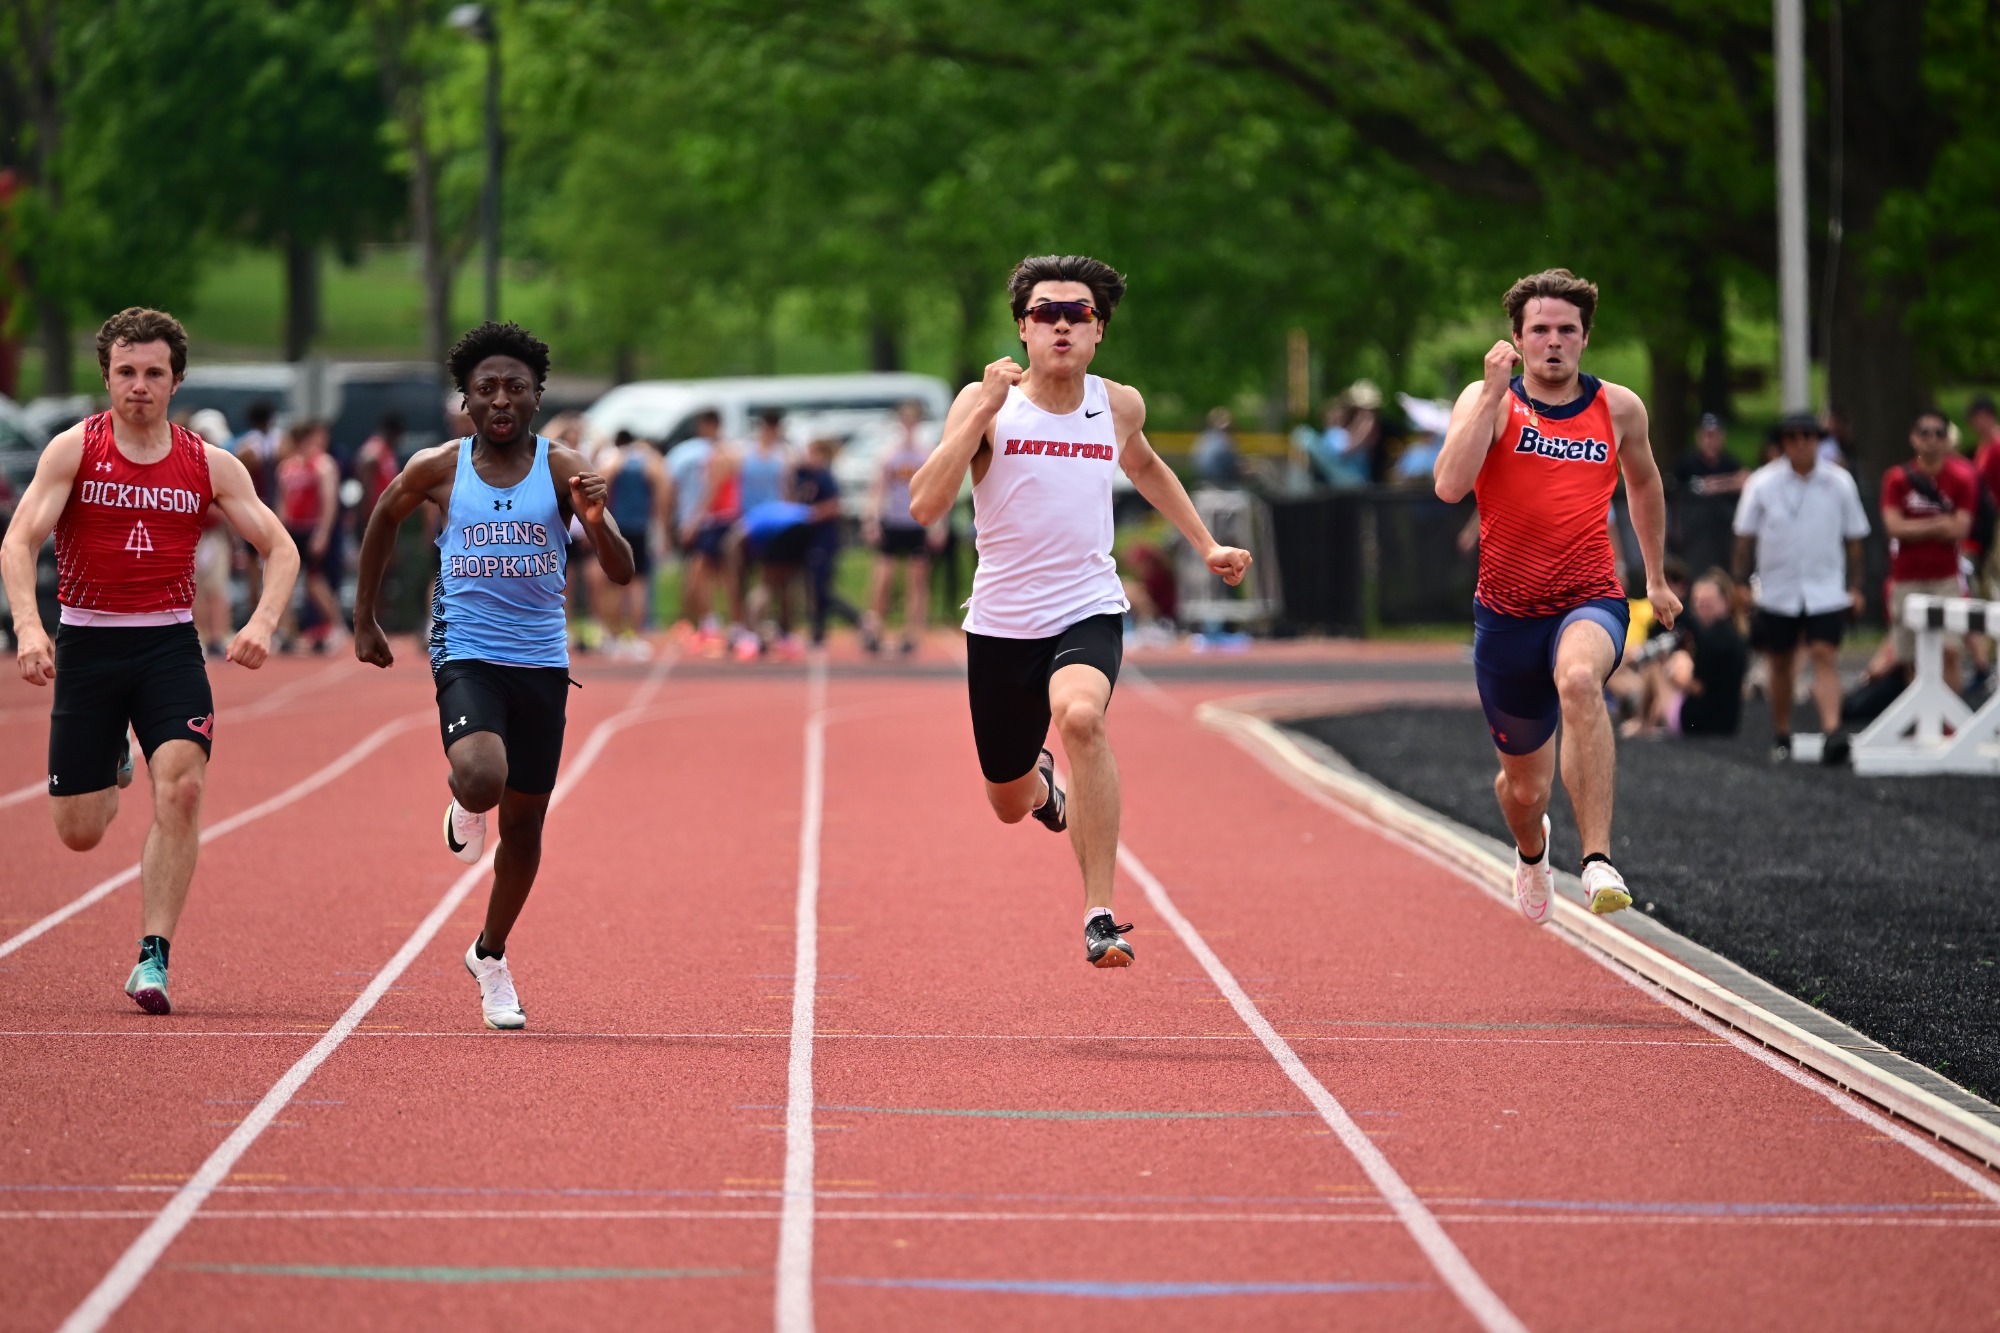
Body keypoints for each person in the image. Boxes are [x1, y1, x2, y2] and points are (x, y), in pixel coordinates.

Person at [909, 254, 1252, 968]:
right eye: (1045, 314)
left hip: (1086, 606)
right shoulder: (987, 403)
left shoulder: (1118, 404)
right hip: (1001, 620)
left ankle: (1100, 913)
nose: (1061, 325)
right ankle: (1040, 786)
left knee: (1082, 716)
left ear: (1099, 331)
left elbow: (1147, 466)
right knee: (1006, 799)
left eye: (1078, 314)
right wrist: (975, 412)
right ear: (1022, 329)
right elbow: (924, 504)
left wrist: (1207, 543)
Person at [1, 308, 299, 1014]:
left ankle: (153, 957)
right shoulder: (73, 452)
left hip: (168, 644)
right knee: (77, 834)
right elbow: (18, 543)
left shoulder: (207, 463)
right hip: (88, 642)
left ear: (176, 381)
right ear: (106, 376)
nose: (139, 385)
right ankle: (110, 760)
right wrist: (30, 627)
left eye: (154, 373)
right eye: (126, 372)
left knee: (184, 788)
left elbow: (279, 546)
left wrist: (263, 620)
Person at [352, 321, 633, 1030]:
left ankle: (490, 954)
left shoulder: (564, 467)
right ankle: (466, 799)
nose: (501, 397)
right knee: (480, 773)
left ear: (537, 396)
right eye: (486, 388)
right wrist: (366, 618)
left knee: (527, 827)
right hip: (466, 648)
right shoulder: (438, 468)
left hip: (541, 660)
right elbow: (382, 521)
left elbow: (623, 570)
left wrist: (597, 521)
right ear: (466, 400)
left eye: (515, 386)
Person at [1434, 268, 1679, 926]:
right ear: (1515, 337)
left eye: (1566, 330)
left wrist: (1654, 578)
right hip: (1508, 616)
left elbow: (1646, 486)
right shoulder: (1490, 402)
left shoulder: (1618, 408)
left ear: (1585, 339)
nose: (1552, 342)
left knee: (1579, 680)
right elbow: (1450, 485)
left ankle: (1597, 858)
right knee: (1522, 788)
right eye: (1539, 329)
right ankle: (1533, 848)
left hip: (1590, 596)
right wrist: (1488, 395)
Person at [1731, 412, 1870, 763]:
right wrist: (1739, 582)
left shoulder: (1839, 482)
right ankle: (1782, 731)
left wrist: (1855, 587)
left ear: (1817, 441)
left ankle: (1832, 730)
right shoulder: (1762, 484)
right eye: (1792, 438)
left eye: (1807, 437)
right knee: (1780, 661)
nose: (1800, 445)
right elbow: (1744, 537)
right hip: (1779, 585)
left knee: (1824, 653)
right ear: (1783, 444)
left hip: (1825, 585)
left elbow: (1855, 539)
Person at [1880, 407, 1978, 692]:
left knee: (1950, 650)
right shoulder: (1897, 479)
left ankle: (1951, 726)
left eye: (1938, 433)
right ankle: (1920, 720)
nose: (1931, 439)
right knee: (1910, 656)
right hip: (1907, 576)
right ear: (1913, 438)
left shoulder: (1961, 479)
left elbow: (1960, 529)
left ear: (1947, 439)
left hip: (1945, 577)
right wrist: (1938, 524)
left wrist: (1917, 528)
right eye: (1924, 433)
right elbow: (1894, 527)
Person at [1618, 571, 1747, 739]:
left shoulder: (1712, 638)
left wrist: (1674, 675)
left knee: (1653, 666)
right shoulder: (1735, 635)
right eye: (1699, 603)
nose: (1701, 609)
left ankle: (1642, 723)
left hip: (1700, 723)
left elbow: (1699, 688)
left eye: (1707, 604)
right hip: (1729, 723)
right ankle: (1644, 720)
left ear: (1725, 602)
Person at [864, 401, 935, 655]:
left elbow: (938, 489)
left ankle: (912, 632)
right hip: (892, 521)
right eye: (904, 420)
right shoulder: (889, 455)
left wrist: (939, 525)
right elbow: (877, 489)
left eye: (912, 421)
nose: (908, 426)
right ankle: (874, 628)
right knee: (883, 578)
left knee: (916, 580)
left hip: (917, 522)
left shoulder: (926, 454)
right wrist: (871, 520)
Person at [594, 428, 666, 657]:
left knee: (613, 584)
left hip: (618, 526)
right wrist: (659, 521)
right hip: (640, 527)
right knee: (639, 584)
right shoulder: (646, 460)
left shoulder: (613, 458)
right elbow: (662, 485)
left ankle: (613, 637)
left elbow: (600, 482)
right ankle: (633, 638)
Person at [277, 420, 342, 651]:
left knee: (315, 583)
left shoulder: (323, 465)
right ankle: (287, 632)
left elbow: (329, 501)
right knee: (284, 582)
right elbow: (283, 501)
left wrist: (323, 533)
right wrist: (278, 532)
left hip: (312, 528)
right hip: (293, 529)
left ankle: (336, 626)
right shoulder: (288, 466)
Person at [792, 436, 860, 647]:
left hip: (824, 539)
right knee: (812, 587)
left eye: (813, 453)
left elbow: (834, 506)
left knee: (821, 587)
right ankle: (818, 630)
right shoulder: (803, 475)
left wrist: (810, 514)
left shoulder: (825, 477)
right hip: (808, 539)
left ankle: (857, 619)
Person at [1675, 414, 1748, 497]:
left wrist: (1718, 485)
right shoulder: (1686, 462)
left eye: (1715, 436)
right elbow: (1676, 487)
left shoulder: (1728, 461)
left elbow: (1745, 478)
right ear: (1698, 437)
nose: (1710, 441)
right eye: (1707, 436)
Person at [1191, 407, 1242, 486]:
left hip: (1202, 481)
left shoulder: (1203, 437)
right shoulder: (1222, 439)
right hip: (1222, 484)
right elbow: (1233, 465)